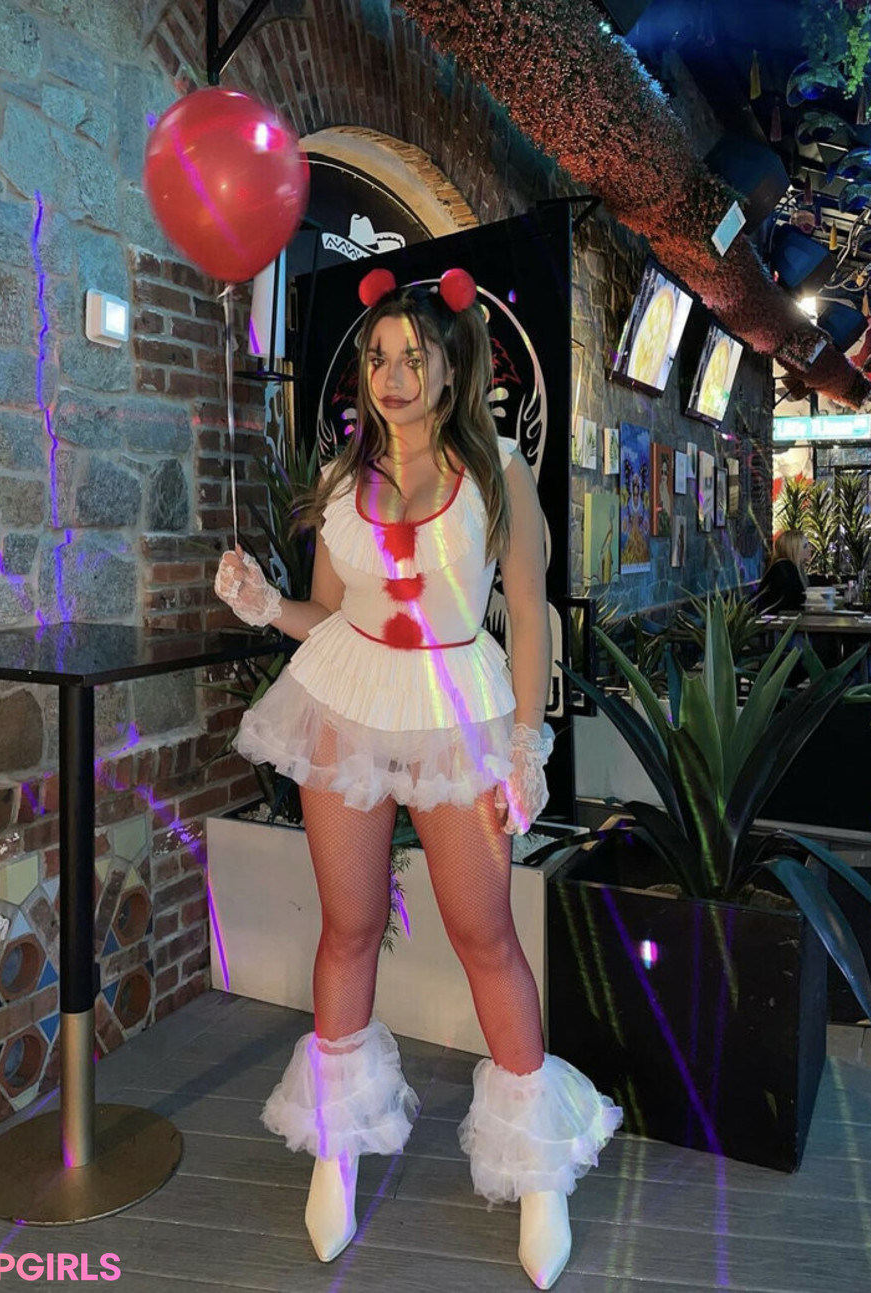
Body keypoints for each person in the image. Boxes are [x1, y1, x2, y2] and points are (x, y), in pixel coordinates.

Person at [214, 266, 620, 1291]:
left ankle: (540, 1172)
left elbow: (527, 612)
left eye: (411, 356)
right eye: (377, 358)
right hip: (348, 700)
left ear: (447, 369)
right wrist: (265, 606)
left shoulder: (497, 474)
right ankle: (337, 1153)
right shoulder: (341, 483)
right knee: (348, 927)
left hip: (458, 713)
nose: (392, 374)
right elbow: (327, 615)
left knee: (485, 935)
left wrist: (525, 744)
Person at [753, 529, 810, 612]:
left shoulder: (784, 567)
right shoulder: (785, 570)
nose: (809, 549)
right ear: (793, 550)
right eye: (804, 546)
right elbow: (795, 604)